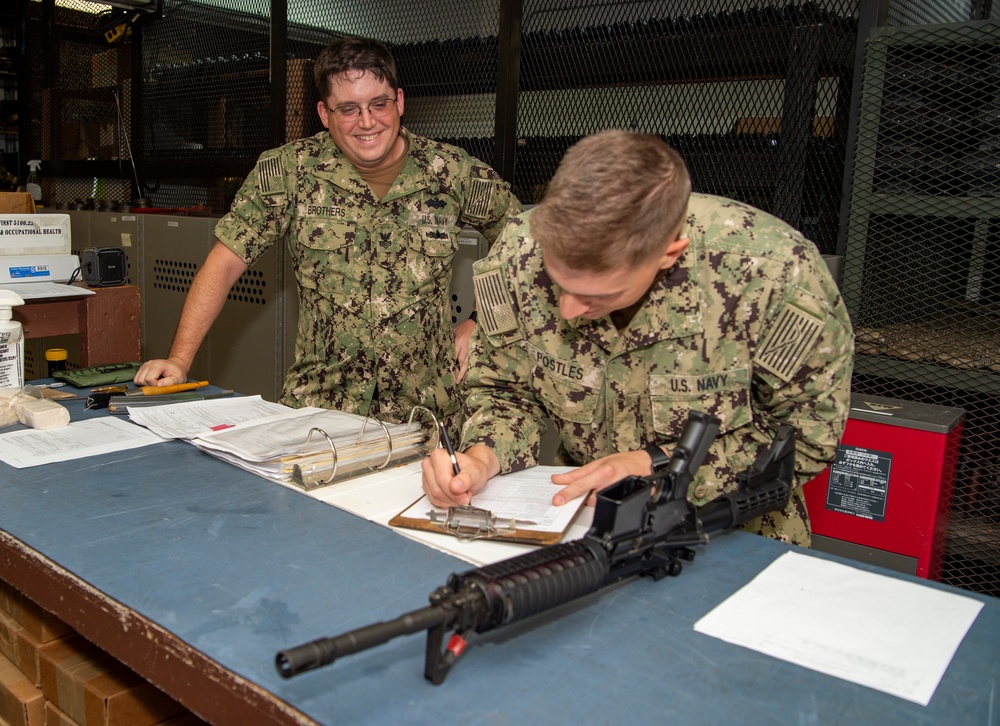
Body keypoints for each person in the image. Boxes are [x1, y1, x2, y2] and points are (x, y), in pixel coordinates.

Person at [421, 129, 854, 545]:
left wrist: (658, 466)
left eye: (597, 295)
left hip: (730, 532)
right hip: (583, 524)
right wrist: (483, 456)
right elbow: (504, 391)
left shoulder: (774, 278)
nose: (568, 310)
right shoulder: (519, 254)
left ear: (668, 254)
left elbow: (807, 436)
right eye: (558, 285)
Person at [135, 37, 520, 426]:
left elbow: (522, 239)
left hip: (425, 415)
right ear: (324, 113)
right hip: (320, 412)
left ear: (400, 101)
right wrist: (179, 359)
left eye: (379, 104)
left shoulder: (451, 172)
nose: (367, 122)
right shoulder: (291, 171)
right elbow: (222, 266)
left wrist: (481, 319)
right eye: (348, 109)